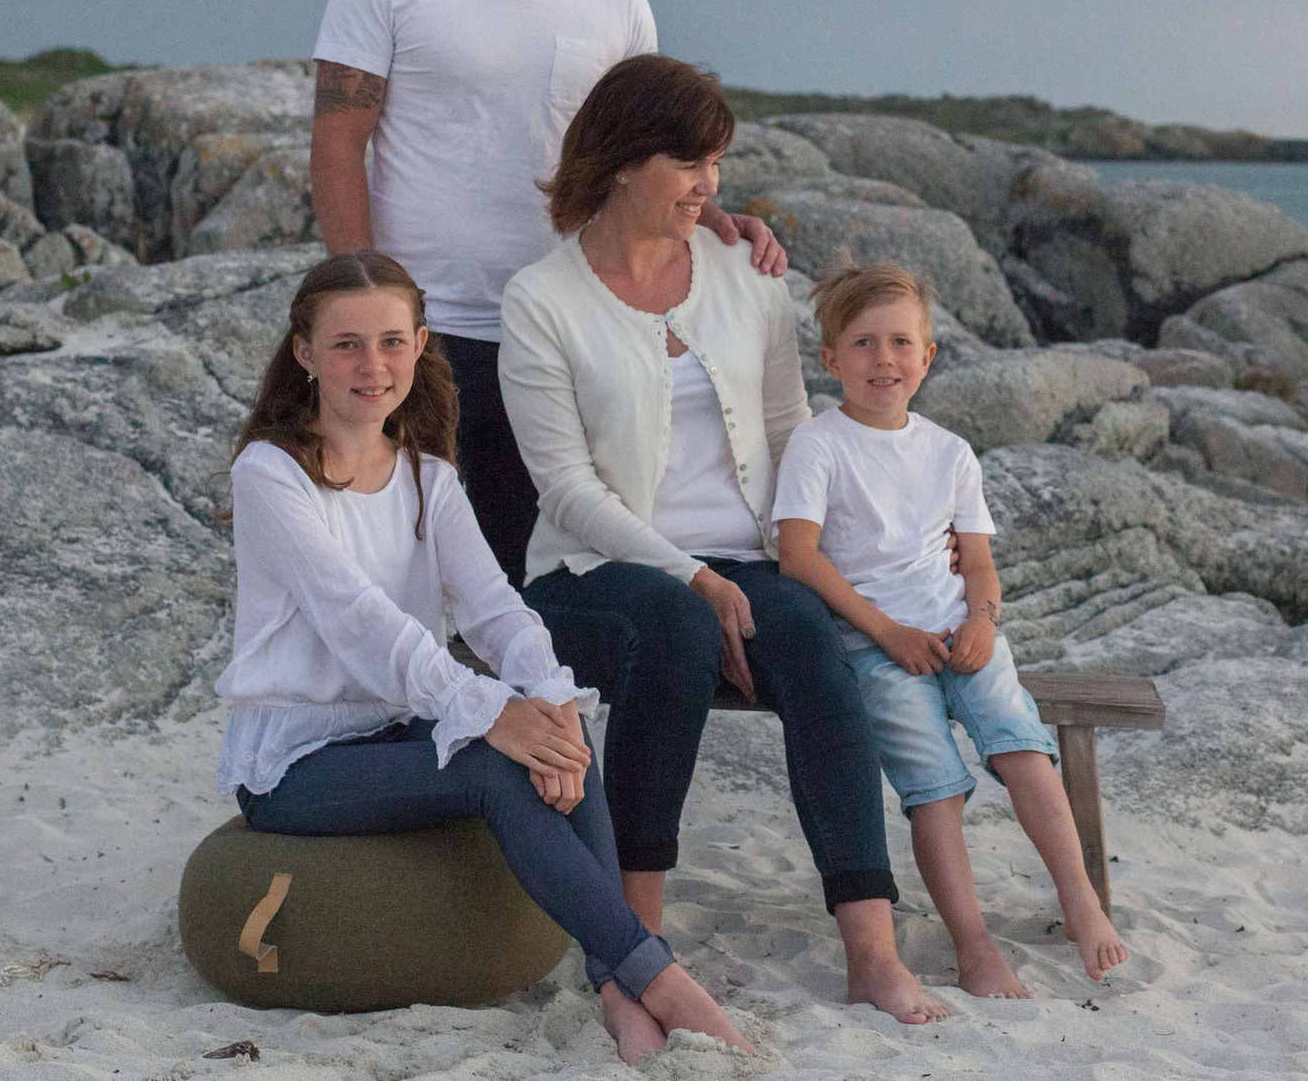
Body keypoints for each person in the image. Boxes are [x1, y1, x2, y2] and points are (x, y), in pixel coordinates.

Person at [498, 54, 953, 1026]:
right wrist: (693, 574)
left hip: (748, 556)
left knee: (807, 641)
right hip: (593, 571)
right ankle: (633, 950)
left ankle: (870, 950)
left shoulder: (747, 274)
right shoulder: (541, 299)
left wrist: (834, 561)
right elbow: (568, 491)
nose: (710, 183)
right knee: (674, 625)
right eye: (688, 161)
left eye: (716, 161)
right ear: (622, 161)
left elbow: (794, 431)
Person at [215, 248, 754, 1063]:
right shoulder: (272, 475)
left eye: (393, 342)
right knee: (496, 761)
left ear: (422, 344)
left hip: (394, 729)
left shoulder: (427, 474)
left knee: (560, 732)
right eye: (347, 344)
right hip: (298, 760)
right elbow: (358, 623)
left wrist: (543, 696)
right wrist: (490, 711)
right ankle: (661, 981)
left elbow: (497, 607)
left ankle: (617, 986)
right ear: (303, 353)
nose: (373, 366)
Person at [309, 0, 782, 585]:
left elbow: (649, 153)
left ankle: (549, 713)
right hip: (426, 328)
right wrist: (361, 300)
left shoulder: (618, 0)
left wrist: (710, 216)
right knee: (394, 564)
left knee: (551, 575)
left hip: (573, 324)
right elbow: (338, 140)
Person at [773, 263, 1131, 995]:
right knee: (934, 787)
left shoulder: (949, 452)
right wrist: (888, 633)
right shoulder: (819, 444)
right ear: (831, 359)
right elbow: (798, 557)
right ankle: (974, 948)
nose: (884, 359)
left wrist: (984, 623)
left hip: (963, 636)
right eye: (864, 343)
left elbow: (980, 568)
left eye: (902, 342)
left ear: (928, 357)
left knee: (1022, 744)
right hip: (876, 649)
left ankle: (1081, 901)